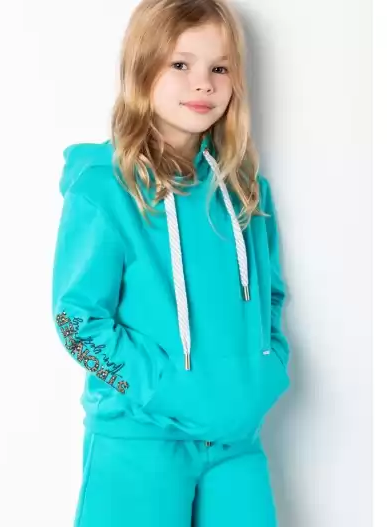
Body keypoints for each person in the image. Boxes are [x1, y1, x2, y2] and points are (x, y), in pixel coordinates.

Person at [52, 0, 290, 525]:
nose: (203, 83)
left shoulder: (246, 191)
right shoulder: (103, 189)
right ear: (142, 68)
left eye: (220, 68)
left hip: (236, 444)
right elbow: (77, 321)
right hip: (138, 442)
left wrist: (265, 368)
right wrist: (163, 387)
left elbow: (270, 294)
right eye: (181, 64)